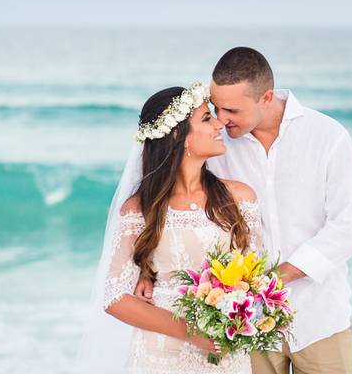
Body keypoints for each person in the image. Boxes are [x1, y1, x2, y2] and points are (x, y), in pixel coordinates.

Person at [136, 47, 352, 374]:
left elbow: (346, 230)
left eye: (231, 110)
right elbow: (172, 199)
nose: (221, 119)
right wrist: (147, 265)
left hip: (320, 317)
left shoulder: (328, 138)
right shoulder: (219, 144)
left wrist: (274, 280)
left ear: (266, 98)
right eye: (215, 108)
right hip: (244, 326)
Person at [80, 82, 263, 374]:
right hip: (158, 354)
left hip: (224, 354)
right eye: (206, 118)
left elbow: (258, 280)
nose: (219, 124)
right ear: (179, 135)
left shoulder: (240, 198)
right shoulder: (140, 209)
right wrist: (191, 332)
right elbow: (115, 297)